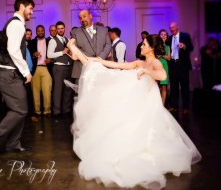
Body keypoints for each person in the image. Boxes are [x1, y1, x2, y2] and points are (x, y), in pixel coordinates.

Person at [65, 35, 201, 190]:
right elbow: (120, 65)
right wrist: (101, 61)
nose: (141, 46)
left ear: (151, 47)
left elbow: (163, 76)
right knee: (100, 69)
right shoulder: (139, 62)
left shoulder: (154, 62)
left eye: (144, 44)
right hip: (137, 101)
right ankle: (79, 54)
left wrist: (147, 72)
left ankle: (78, 53)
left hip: (147, 105)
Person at [0, 0, 34, 154]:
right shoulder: (16, 25)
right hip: (7, 74)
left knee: (21, 110)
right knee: (20, 110)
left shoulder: (18, 24)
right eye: (30, 8)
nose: (31, 12)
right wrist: (26, 71)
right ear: (21, 7)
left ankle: (13, 144)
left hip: (12, 74)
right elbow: (13, 51)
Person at [70, 9, 111, 84]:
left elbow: (108, 45)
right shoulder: (75, 32)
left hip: (101, 67)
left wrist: (100, 58)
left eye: (84, 16)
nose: (82, 19)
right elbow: (75, 48)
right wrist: (89, 59)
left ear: (90, 16)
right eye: (80, 18)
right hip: (83, 68)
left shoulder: (103, 30)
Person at [47, 21, 73, 119]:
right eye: (59, 28)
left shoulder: (67, 39)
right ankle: (57, 112)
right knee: (58, 90)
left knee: (68, 89)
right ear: (56, 30)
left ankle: (66, 110)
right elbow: (49, 55)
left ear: (65, 28)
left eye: (62, 28)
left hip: (69, 66)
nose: (60, 30)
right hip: (58, 67)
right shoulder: (52, 41)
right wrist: (62, 52)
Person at [166, 22, 193, 115]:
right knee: (173, 87)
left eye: (173, 27)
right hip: (173, 65)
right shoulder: (169, 38)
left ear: (177, 27)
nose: (171, 29)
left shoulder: (185, 36)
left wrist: (184, 46)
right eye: (170, 28)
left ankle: (186, 107)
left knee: (185, 87)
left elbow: (191, 47)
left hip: (182, 65)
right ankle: (174, 106)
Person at [158, 29, 171, 106]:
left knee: (164, 87)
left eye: (165, 35)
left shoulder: (167, 47)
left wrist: (162, 55)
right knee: (156, 86)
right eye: (161, 34)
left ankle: (162, 105)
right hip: (157, 66)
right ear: (159, 36)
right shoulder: (155, 46)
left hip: (165, 66)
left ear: (167, 37)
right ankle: (157, 104)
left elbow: (169, 58)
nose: (163, 36)